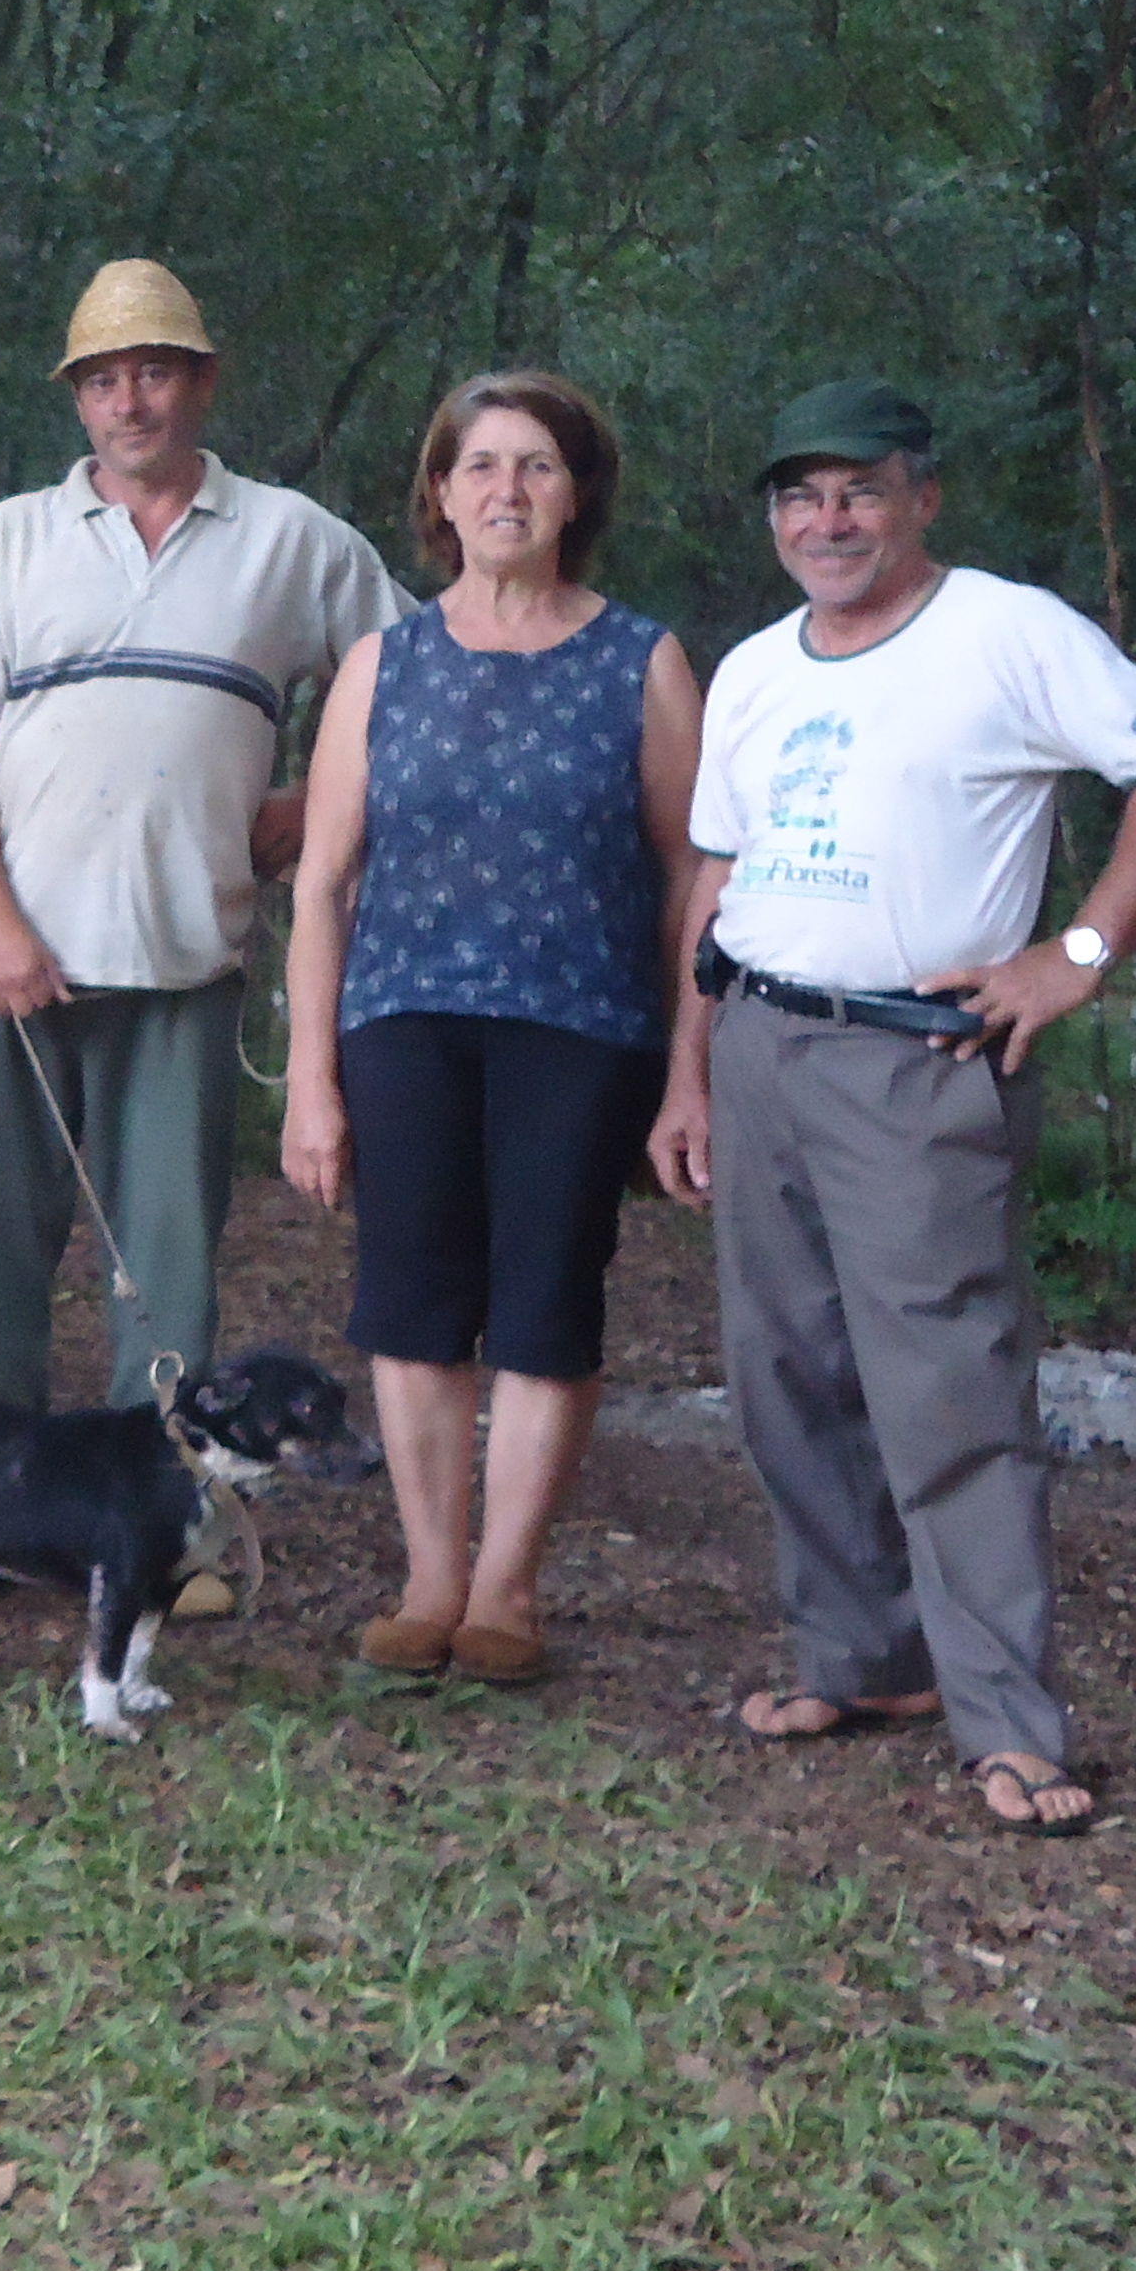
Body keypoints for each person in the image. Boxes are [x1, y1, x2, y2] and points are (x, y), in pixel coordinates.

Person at [646, 380, 1136, 1839]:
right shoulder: (754, 669)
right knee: (786, 1374)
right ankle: (862, 1661)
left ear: (922, 497)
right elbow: (715, 878)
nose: (827, 520)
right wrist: (688, 1066)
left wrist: (1078, 952)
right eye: (800, 496)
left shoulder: (1004, 630)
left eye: (859, 490)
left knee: (948, 1394)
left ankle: (1011, 1723)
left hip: (921, 1064)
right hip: (766, 1042)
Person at [0, 256, 409, 1414]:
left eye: (156, 373)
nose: (131, 402)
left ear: (202, 384)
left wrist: (320, 809)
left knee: (168, 1254)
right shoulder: (12, 542)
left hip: (187, 951)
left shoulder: (294, 541)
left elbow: (412, 689)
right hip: (15, 966)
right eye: (105, 379)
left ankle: (167, 1500)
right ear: (77, 399)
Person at [282, 372, 703, 1686]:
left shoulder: (642, 659)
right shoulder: (384, 662)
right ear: (440, 495)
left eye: (535, 466)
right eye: (480, 466)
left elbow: (697, 877)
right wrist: (310, 1079)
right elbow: (319, 880)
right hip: (402, 1021)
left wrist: (689, 1072)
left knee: (542, 1311)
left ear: (578, 494)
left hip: (581, 1027)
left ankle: (507, 1591)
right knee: (410, 1311)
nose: (506, 490)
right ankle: (428, 1579)